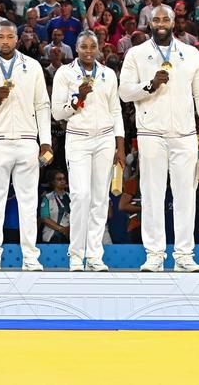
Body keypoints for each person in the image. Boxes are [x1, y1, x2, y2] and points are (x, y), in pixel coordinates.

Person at [119, 4, 199, 272]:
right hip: (151, 133)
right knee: (152, 195)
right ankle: (155, 255)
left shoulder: (190, 53)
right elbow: (124, 92)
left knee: (186, 195)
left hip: (185, 134)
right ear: (149, 23)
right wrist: (150, 85)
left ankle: (184, 255)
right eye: (156, 19)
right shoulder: (136, 54)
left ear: (174, 23)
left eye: (165, 19)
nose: (161, 23)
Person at [0, 21, 52, 271]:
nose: (5, 41)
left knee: (28, 202)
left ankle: (30, 257)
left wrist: (45, 141)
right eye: (1, 37)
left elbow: (42, 105)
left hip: (27, 140)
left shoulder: (33, 66)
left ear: (17, 39)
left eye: (10, 37)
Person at [50, 31, 125, 271]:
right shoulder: (65, 73)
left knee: (100, 198)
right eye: (84, 46)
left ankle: (94, 255)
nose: (89, 51)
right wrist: (77, 98)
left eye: (93, 46)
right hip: (78, 139)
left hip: (105, 139)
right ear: (76, 48)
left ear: (99, 48)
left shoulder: (108, 74)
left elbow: (116, 111)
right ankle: (76, 255)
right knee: (81, 195)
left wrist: (120, 146)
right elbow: (57, 113)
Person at [38, 169, 70, 244]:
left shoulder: (71, 197)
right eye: (59, 179)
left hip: (69, 236)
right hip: (52, 236)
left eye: (64, 179)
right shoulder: (47, 197)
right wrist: (62, 229)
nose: (62, 181)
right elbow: (44, 218)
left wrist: (69, 229)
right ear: (53, 182)